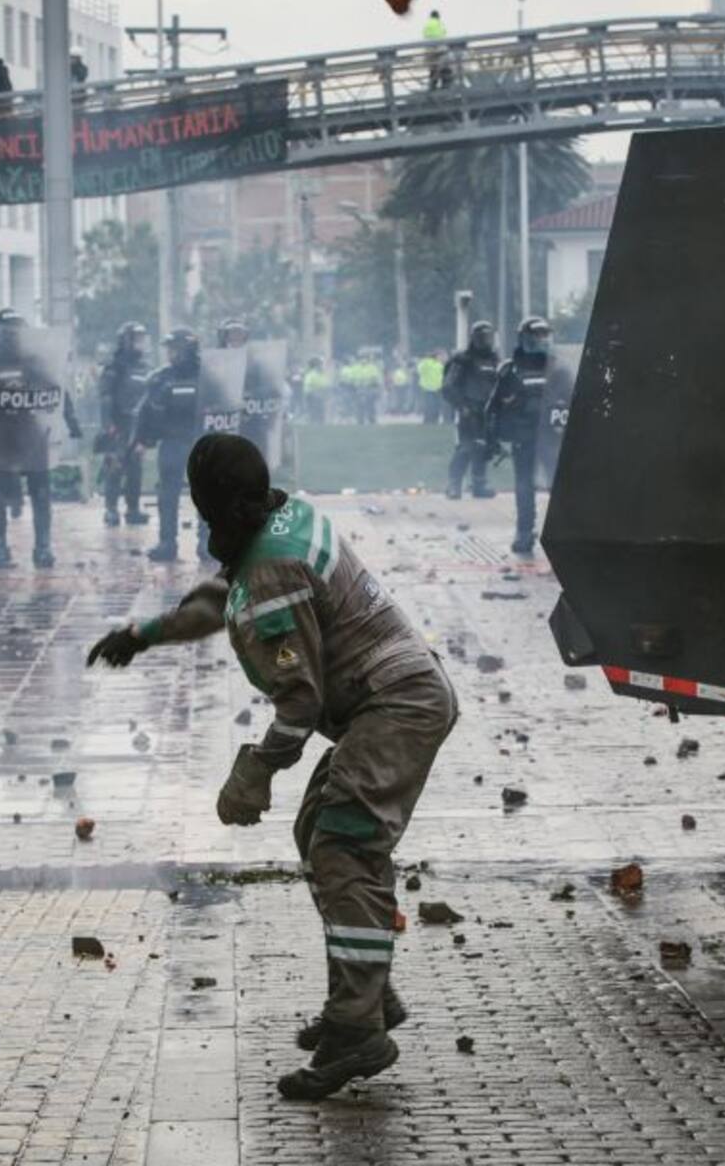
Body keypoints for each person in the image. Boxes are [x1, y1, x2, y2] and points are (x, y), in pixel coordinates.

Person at [87, 433, 458, 1100]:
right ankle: (368, 997)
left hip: (396, 707)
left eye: (206, 514)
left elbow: (300, 700)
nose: (206, 529)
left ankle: (357, 1033)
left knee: (343, 847)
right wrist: (140, 636)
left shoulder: (272, 570)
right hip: (397, 696)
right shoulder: (283, 517)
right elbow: (215, 602)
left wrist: (253, 773)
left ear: (220, 509)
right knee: (316, 831)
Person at [0, 309, 77, 569]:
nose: (13, 336)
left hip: (34, 437)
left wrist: (70, 423)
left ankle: (42, 548)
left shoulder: (37, 361)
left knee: (41, 494)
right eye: (7, 330)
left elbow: (57, 391)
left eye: (18, 330)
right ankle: (0, 549)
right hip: (1, 438)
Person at [135, 327, 206, 563]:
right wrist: (142, 440)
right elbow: (145, 412)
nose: (171, 354)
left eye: (176, 349)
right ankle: (167, 542)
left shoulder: (208, 374)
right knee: (167, 494)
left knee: (206, 494)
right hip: (172, 442)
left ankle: (206, 542)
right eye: (170, 349)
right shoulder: (160, 377)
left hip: (202, 441)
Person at [486, 316, 553, 556]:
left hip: (553, 439)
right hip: (523, 437)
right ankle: (524, 533)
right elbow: (493, 407)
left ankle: (564, 534)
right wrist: (492, 440)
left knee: (558, 487)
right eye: (538, 336)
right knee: (525, 486)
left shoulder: (557, 367)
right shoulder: (510, 369)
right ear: (525, 338)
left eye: (546, 335)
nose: (543, 341)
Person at [97, 321, 151, 528]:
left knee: (136, 468)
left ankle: (133, 509)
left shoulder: (145, 366)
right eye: (135, 339)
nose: (140, 344)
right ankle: (111, 509)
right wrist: (108, 424)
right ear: (125, 341)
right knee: (114, 467)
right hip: (118, 423)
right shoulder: (115, 366)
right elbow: (105, 396)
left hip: (137, 424)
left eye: (141, 339)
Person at [443, 321, 500, 499]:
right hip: (468, 410)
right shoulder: (462, 359)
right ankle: (454, 484)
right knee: (466, 447)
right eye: (483, 338)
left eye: (489, 337)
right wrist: (462, 406)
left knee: (483, 447)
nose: (486, 342)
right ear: (474, 338)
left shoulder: (493, 359)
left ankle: (479, 483)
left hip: (487, 410)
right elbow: (449, 386)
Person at [423, 9, 451, 90]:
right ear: (438, 16)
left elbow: (426, 36)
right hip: (440, 50)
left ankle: (432, 88)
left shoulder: (427, 24)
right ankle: (445, 88)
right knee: (445, 69)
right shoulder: (439, 23)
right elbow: (443, 34)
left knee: (433, 71)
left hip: (429, 51)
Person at [416, 350, 445, 424]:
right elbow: (420, 370)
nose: (443, 357)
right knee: (431, 405)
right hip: (429, 388)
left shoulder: (439, 364)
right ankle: (430, 420)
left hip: (435, 388)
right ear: (436, 356)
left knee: (433, 405)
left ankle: (432, 420)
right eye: (441, 356)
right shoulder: (429, 363)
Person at [303, 357, 329, 424]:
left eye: (322, 364)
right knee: (313, 410)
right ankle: (312, 422)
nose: (322, 366)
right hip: (311, 395)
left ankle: (320, 423)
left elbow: (325, 385)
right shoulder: (311, 374)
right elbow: (308, 386)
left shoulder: (322, 374)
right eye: (320, 364)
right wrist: (317, 392)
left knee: (321, 411)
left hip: (320, 395)